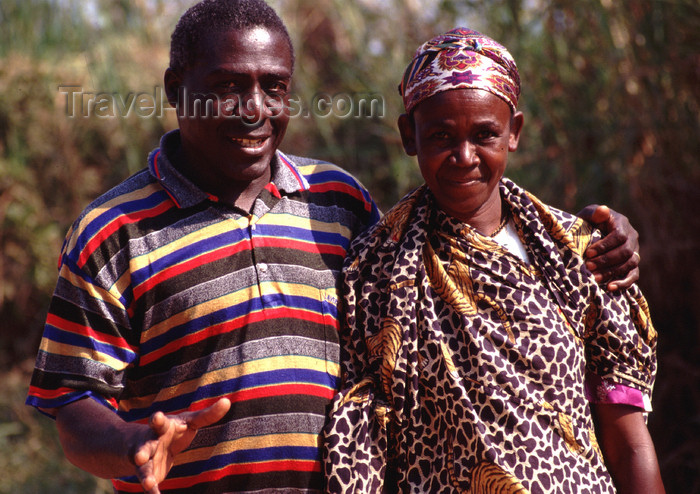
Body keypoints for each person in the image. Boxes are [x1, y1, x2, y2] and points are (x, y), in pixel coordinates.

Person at [25, 1, 640, 492]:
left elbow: (453, 248)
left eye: (274, 86)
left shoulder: (339, 203)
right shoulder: (113, 230)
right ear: (175, 88)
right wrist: (133, 445)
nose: (255, 109)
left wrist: (588, 235)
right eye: (228, 85)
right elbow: (72, 402)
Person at [323, 28, 664, 494]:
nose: (464, 157)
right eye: (441, 136)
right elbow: (367, 443)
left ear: (515, 133)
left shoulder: (577, 253)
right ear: (409, 136)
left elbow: (628, 442)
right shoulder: (377, 269)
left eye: (485, 134)